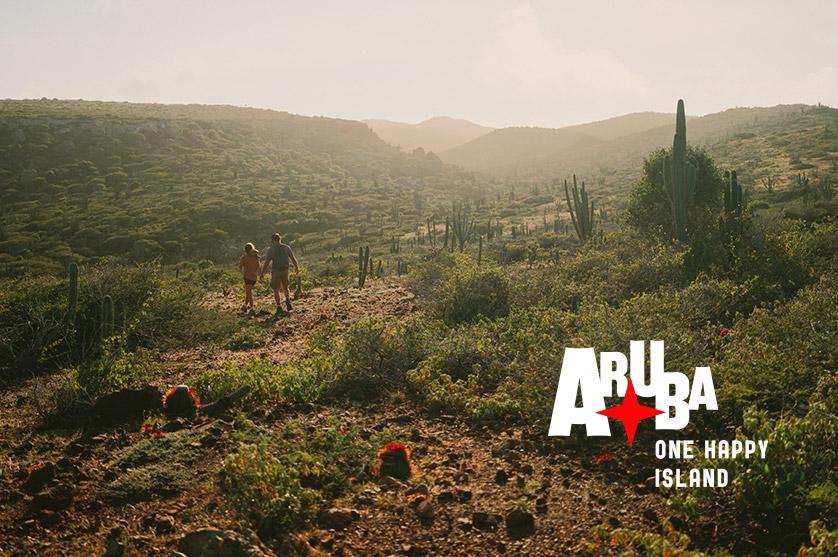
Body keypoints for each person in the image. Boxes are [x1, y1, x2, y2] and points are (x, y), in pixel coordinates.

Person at [260, 232, 299, 316]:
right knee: (285, 287)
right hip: (285, 270)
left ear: (273, 240)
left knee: (276, 289)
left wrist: (262, 273)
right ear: (280, 239)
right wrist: (296, 267)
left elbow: (267, 262)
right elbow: (293, 258)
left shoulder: (271, 249)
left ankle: (279, 306)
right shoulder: (286, 247)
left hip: (276, 271)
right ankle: (288, 300)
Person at [238, 243, 261, 312]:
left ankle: (251, 307)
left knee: (248, 293)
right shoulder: (256, 257)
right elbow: (259, 267)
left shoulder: (244, 258)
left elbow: (240, 267)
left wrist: (243, 274)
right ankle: (245, 305)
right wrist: (260, 274)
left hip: (247, 277)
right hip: (254, 277)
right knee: (248, 292)